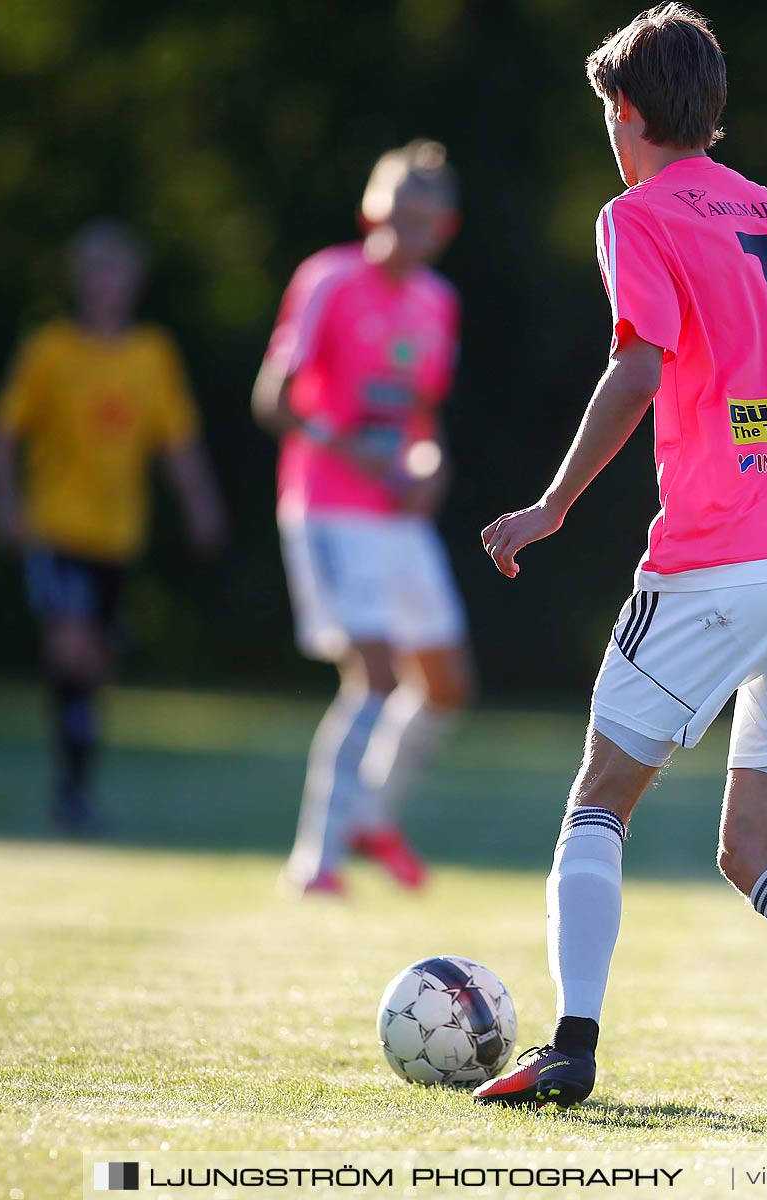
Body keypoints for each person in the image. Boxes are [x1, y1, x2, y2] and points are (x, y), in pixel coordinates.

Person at [472, 5, 767, 1120]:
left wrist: (550, 507)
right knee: (758, 846)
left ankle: (571, 1045)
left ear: (627, 114)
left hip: (716, 565)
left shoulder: (636, 215)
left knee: (600, 800)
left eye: (606, 113)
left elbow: (639, 371)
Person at [254, 140, 474, 899]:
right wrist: (354, 453)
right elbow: (274, 401)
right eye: (395, 212)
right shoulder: (329, 278)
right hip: (328, 508)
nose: (405, 230)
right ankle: (315, 862)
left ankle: (371, 816)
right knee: (374, 677)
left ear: (443, 227)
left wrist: (430, 468)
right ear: (370, 210)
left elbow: (421, 418)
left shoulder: (438, 302)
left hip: (396, 519)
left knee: (446, 684)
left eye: (423, 218)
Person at [0, 219, 226, 835]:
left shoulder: (152, 356)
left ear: (134, 283)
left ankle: (76, 787)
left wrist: (200, 503)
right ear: (79, 280)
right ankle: (71, 797)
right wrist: (7, 505)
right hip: (56, 531)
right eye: (96, 272)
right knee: (71, 645)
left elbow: (178, 441)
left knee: (92, 665)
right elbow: (2, 434)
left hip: (118, 537)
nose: (106, 285)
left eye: (117, 272)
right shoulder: (52, 350)